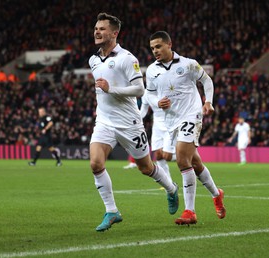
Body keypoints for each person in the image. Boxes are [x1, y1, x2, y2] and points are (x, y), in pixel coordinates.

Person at [88, 13, 178, 232]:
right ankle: (112, 211)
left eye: (102, 29)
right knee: (96, 164)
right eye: (96, 28)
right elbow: (102, 90)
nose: (97, 32)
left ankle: (171, 188)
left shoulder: (128, 59)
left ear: (114, 33)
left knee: (146, 168)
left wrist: (112, 89)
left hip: (129, 123)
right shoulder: (92, 60)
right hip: (105, 122)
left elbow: (139, 89)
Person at [146, 31, 225, 225]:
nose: (155, 50)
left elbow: (206, 80)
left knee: (181, 157)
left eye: (158, 46)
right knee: (195, 163)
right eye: (152, 48)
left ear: (169, 44)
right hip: (170, 121)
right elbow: (148, 94)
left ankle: (190, 211)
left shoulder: (188, 64)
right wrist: (157, 102)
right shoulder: (151, 70)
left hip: (192, 115)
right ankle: (217, 194)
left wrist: (208, 102)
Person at [139, 90, 175, 183]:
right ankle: (169, 183)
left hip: (170, 123)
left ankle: (186, 157)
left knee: (166, 155)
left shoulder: (166, 87)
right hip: (157, 126)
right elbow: (143, 111)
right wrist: (134, 118)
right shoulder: (146, 93)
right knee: (158, 155)